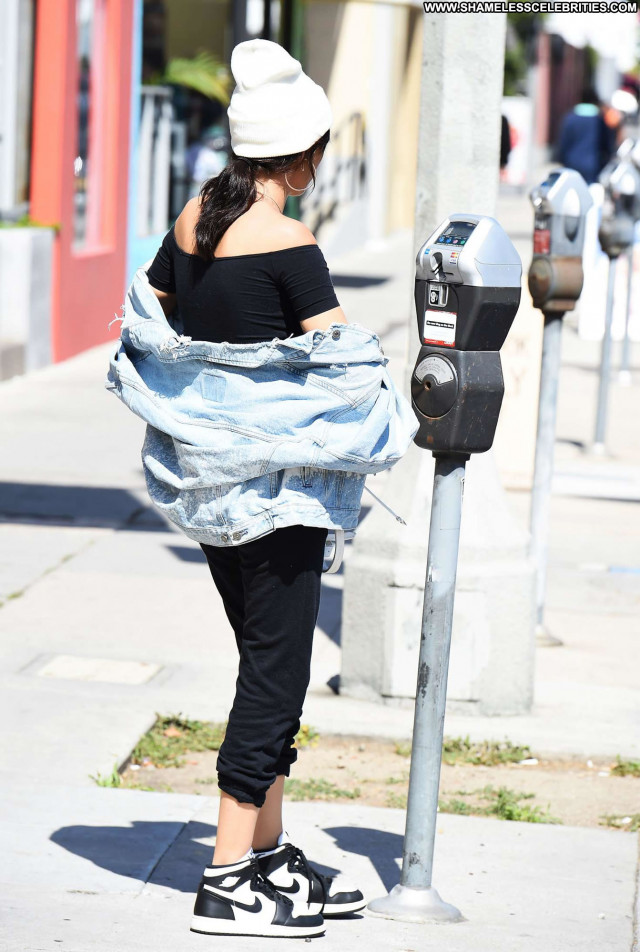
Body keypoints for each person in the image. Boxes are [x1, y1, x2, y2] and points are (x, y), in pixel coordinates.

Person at [141, 39, 389, 939]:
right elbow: (343, 370)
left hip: (209, 489)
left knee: (261, 657)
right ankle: (226, 878)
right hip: (279, 495)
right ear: (306, 154)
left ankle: (268, 851)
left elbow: (169, 322)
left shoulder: (193, 217)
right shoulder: (290, 242)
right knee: (276, 679)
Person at [556, 87, 616, 185]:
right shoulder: (599, 119)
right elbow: (606, 143)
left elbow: (563, 142)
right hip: (592, 165)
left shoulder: (570, 118)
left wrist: (561, 159)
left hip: (571, 163)